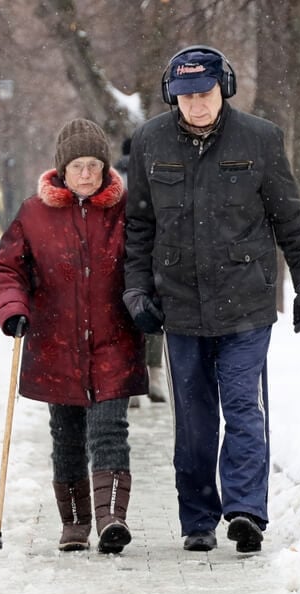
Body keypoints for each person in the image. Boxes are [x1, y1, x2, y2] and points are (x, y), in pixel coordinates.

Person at [123, 46, 300, 553]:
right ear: (174, 96)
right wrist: (136, 288)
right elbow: (140, 227)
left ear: (224, 88)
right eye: (186, 96)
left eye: (205, 93)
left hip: (246, 304)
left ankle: (245, 511)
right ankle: (197, 519)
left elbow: (290, 221)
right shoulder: (150, 141)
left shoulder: (259, 138)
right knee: (193, 420)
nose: (197, 105)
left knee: (242, 407)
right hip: (180, 306)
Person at [0, 118, 148, 554]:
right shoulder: (34, 214)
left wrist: (147, 301)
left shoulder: (126, 210)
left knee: (110, 428)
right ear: (62, 168)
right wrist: (14, 307)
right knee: (67, 433)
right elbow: (7, 268)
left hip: (113, 339)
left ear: (104, 167)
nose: (85, 173)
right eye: (77, 164)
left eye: (93, 164)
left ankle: (111, 518)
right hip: (56, 344)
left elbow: (146, 259)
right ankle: (75, 524)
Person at [115, 137, 167, 408]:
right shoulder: (153, 172)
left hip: (122, 253)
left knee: (130, 316)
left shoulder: (113, 175)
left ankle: (133, 383)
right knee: (152, 314)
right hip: (150, 250)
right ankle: (155, 377)